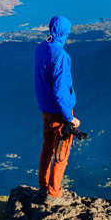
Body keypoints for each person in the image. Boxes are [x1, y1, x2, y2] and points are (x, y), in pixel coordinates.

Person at [35, 15, 80, 205]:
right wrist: (69, 118)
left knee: (47, 149)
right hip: (59, 113)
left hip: (45, 110)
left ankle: (43, 185)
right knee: (61, 154)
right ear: (65, 32)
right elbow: (61, 91)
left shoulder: (41, 48)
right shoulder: (60, 55)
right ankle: (53, 194)